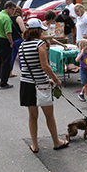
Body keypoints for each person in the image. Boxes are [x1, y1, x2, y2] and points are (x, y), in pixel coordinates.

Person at [18, 18, 69, 153]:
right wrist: (55, 79)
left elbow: (28, 66)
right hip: (40, 84)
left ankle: (35, 145)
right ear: (39, 30)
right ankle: (56, 141)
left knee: (33, 115)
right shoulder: (40, 44)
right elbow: (44, 66)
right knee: (49, 115)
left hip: (26, 83)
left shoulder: (22, 45)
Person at [0, 0, 14, 90]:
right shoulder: (6, 18)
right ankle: (3, 82)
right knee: (6, 62)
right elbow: (8, 32)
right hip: (4, 40)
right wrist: (11, 42)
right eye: (12, 9)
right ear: (8, 8)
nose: (13, 12)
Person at [8, 2, 26, 77]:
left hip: (12, 39)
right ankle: (23, 71)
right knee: (21, 56)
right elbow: (23, 29)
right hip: (19, 39)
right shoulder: (18, 18)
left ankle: (9, 72)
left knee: (12, 56)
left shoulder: (9, 19)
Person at [76, 38, 87, 102]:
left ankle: (81, 94)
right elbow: (77, 60)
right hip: (83, 71)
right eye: (84, 45)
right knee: (86, 84)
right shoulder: (81, 54)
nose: (86, 47)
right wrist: (82, 53)